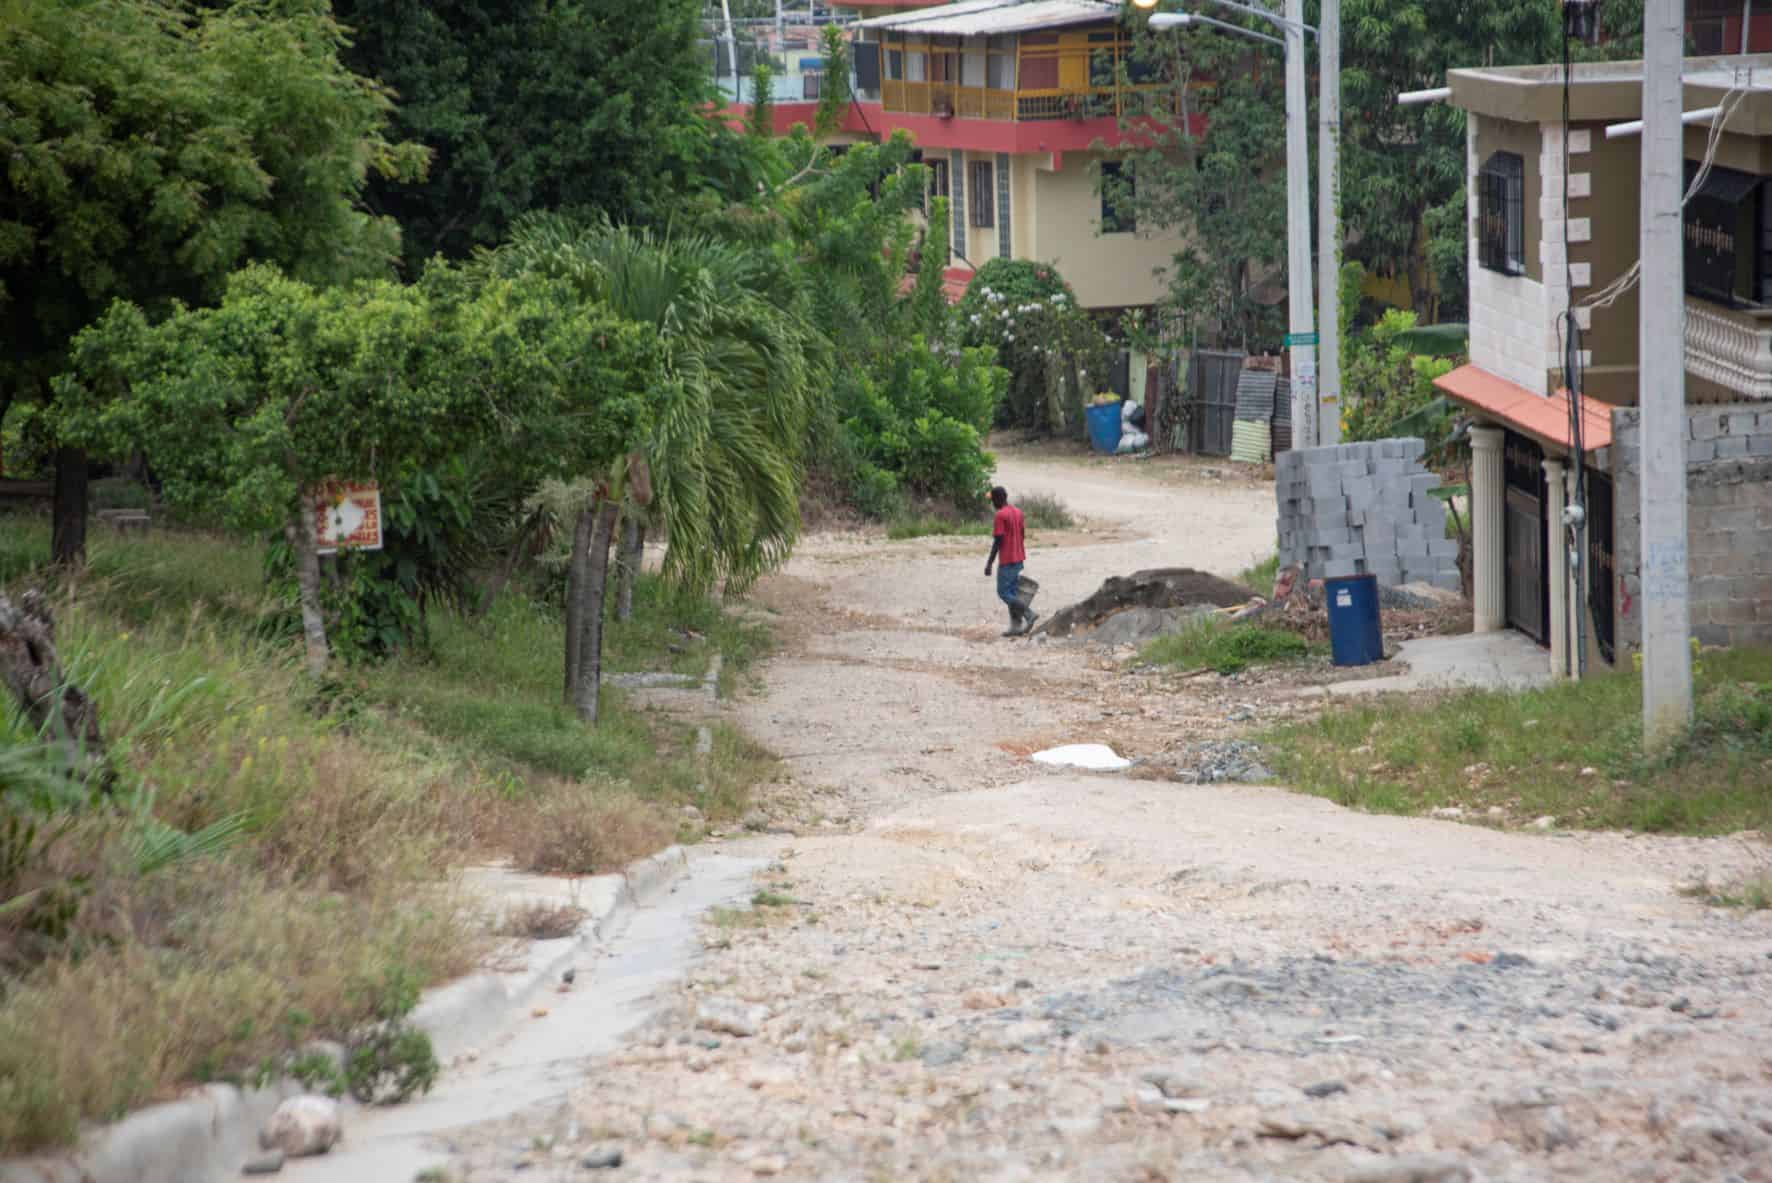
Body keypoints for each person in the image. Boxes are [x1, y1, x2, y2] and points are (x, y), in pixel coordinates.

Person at [984, 486, 1038, 636]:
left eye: (992, 500)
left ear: (996, 499)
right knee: (1013, 593)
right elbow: (1023, 535)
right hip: (1019, 558)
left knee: (1003, 592)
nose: (992, 504)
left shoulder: (1000, 515)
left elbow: (998, 541)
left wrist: (989, 563)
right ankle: (1016, 627)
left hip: (1007, 560)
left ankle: (1029, 614)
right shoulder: (1018, 512)